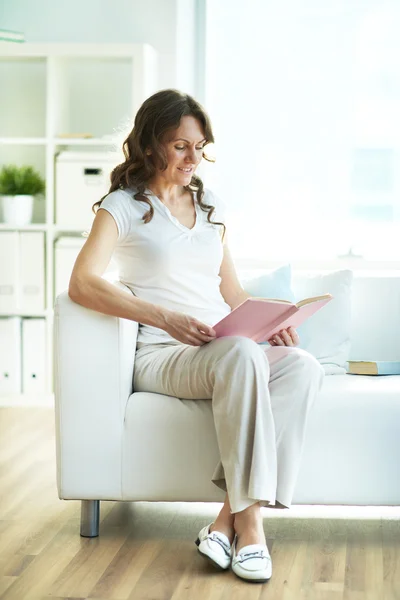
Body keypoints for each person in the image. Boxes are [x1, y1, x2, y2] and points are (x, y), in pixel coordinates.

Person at [69, 88, 324, 584]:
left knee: (302, 367)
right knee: (240, 357)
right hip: (165, 352)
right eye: (180, 145)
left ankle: (225, 518)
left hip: (224, 346)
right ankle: (252, 528)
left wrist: (271, 324)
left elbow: (231, 292)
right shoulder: (122, 207)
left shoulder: (211, 205)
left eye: (199, 145)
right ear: (150, 144)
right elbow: (82, 283)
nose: (193, 157)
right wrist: (164, 317)